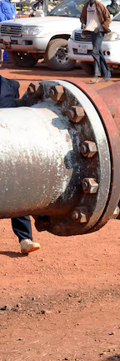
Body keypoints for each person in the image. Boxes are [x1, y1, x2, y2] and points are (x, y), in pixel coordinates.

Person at [0, 75, 41, 254]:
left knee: (16, 190)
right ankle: (25, 238)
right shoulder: (11, 85)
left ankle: (25, 238)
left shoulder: (11, 85)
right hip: (7, 146)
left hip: (9, 147)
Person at [80, 0, 113, 84]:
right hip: (91, 31)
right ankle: (107, 74)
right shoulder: (86, 6)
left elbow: (108, 18)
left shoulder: (99, 5)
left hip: (100, 31)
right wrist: (84, 24)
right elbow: (82, 17)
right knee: (99, 52)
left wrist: (102, 27)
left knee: (94, 52)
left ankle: (96, 75)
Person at [0, 0, 16, 67]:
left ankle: (8, 57)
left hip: (11, 25)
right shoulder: (1, 2)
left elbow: (13, 14)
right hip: (5, 25)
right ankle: (6, 58)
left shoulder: (11, 3)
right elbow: (1, 14)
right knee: (4, 40)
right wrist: (4, 24)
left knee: (9, 41)